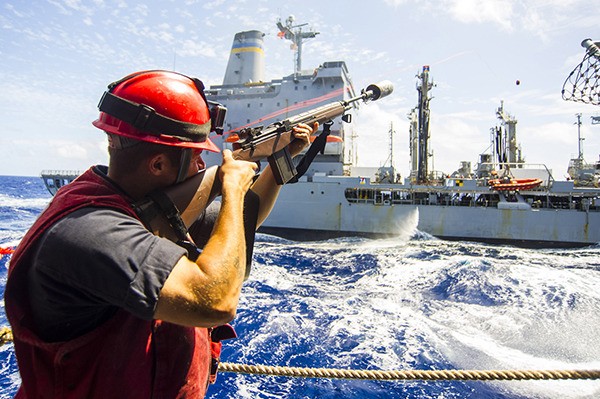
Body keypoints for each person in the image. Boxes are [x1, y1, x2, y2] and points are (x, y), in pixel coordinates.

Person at [4, 70, 317, 398]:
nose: (200, 166)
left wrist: (277, 163)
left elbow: (239, 224)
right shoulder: (89, 230)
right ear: (157, 165)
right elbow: (214, 301)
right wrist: (232, 188)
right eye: (195, 156)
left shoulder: (139, 207)